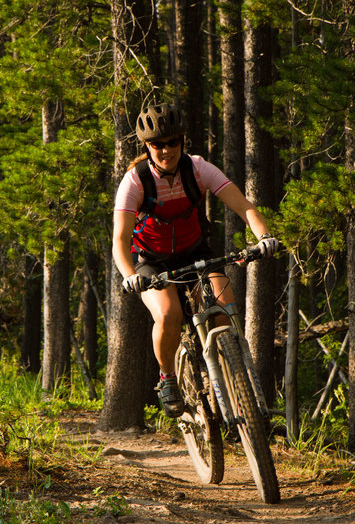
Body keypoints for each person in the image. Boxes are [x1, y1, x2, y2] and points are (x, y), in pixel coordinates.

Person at [112, 102, 279, 418]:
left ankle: (232, 382)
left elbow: (244, 206)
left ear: (182, 142)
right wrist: (128, 274)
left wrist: (264, 237)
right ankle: (168, 378)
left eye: (172, 142)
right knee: (169, 313)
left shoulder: (198, 169)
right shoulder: (135, 181)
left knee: (223, 310)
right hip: (152, 262)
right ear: (147, 146)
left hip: (196, 252)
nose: (166, 150)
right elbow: (120, 239)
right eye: (157, 145)